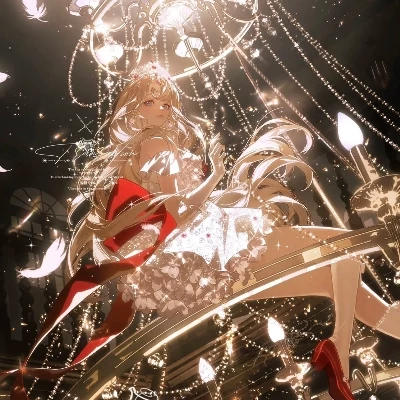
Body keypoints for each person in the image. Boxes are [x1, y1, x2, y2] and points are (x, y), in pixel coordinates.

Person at [4, 63, 400, 400]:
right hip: (207, 251)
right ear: (131, 109)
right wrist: (213, 174)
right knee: (341, 248)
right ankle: (339, 349)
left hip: (192, 268)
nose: (160, 110)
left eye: (166, 103)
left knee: (345, 284)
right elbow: (178, 209)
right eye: (149, 102)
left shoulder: (137, 152)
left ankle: (339, 350)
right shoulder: (156, 144)